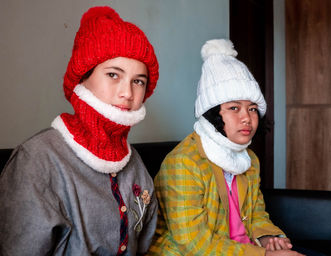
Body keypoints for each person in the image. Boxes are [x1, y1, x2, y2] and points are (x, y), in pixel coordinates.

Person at [0, 6, 159, 255]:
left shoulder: (135, 163)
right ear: (82, 79)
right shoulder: (36, 161)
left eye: (138, 81)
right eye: (113, 74)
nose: (127, 93)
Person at [147, 39, 304, 256]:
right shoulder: (184, 162)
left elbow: (256, 213)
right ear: (212, 113)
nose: (247, 118)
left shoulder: (250, 160)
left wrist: (268, 237)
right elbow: (195, 245)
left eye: (252, 109)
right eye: (234, 108)